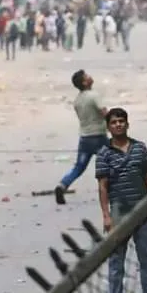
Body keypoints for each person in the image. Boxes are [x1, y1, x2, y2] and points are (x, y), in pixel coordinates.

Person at [96, 108, 147, 293]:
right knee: (117, 258)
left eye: (121, 121)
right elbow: (103, 186)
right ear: (108, 127)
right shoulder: (104, 153)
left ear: (127, 124)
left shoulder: (140, 148)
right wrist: (106, 215)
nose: (118, 125)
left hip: (142, 209)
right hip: (119, 212)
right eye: (114, 122)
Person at [54, 70, 108, 205]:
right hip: (99, 137)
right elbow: (104, 113)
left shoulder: (77, 100)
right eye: (87, 76)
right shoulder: (94, 96)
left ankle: (63, 185)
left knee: (79, 167)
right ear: (85, 82)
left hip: (85, 139)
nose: (90, 77)